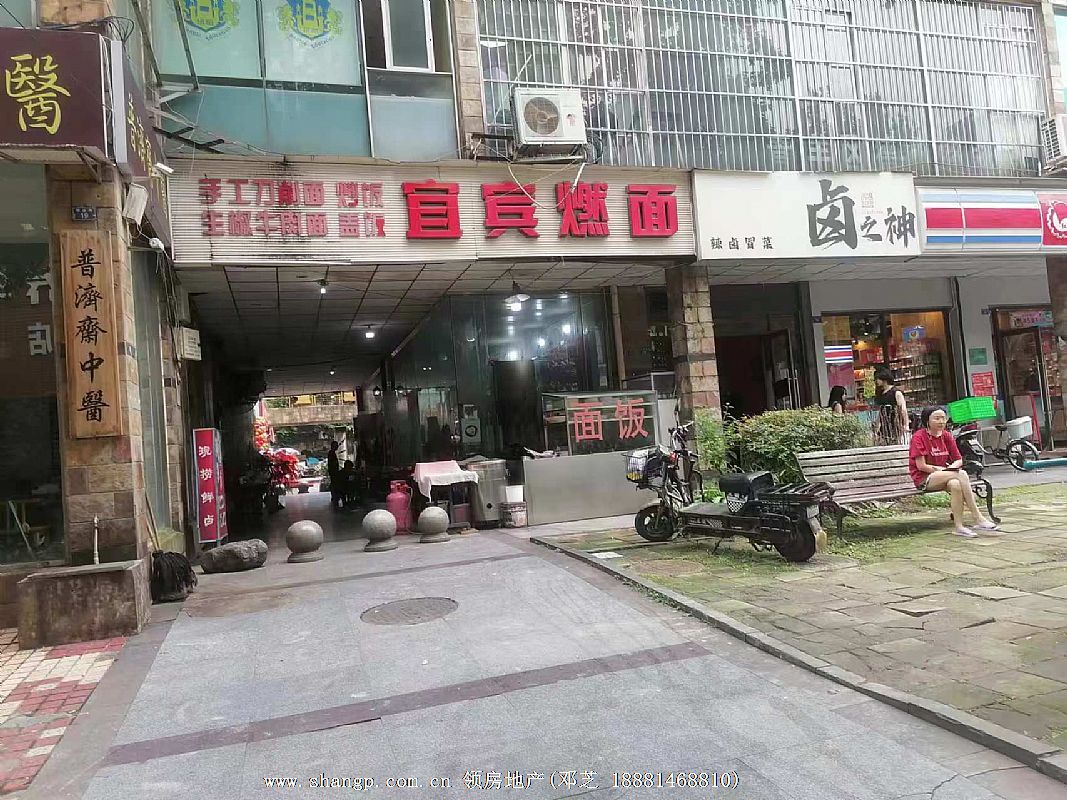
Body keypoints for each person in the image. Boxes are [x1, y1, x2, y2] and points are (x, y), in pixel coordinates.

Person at [909, 406, 998, 538]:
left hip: (945, 474)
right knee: (961, 474)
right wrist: (945, 470)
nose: (941, 421)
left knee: (955, 484)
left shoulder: (946, 435)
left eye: (943, 418)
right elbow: (921, 466)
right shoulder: (919, 437)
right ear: (927, 420)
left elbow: (958, 459)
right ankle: (977, 517)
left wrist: (950, 469)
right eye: (937, 418)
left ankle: (959, 527)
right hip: (925, 479)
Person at [874, 367, 908, 445]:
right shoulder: (881, 394)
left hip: (895, 424)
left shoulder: (896, 393)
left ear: (884, 379)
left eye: (877, 379)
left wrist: (906, 425)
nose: (876, 381)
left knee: (894, 443)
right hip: (884, 425)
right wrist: (877, 425)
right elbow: (881, 411)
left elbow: (903, 409)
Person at [327, 440, 341, 510]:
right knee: (334, 484)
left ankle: (334, 496)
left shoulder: (332, 453)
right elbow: (332, 463)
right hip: (333, 472)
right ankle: (334, 496)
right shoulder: (331, 453)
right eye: (336, 445)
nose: (337, 447)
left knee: (334, 484)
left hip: (333, 471)